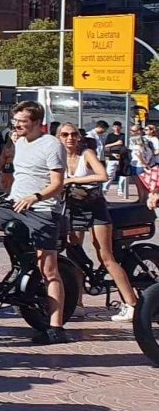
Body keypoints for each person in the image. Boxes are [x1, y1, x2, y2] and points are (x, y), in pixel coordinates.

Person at [0, 100, 70, 344]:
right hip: (13, 205)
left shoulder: (52, 145)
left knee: (48, 270)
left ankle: (56, 327)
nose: (17, 125)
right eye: (15, 121)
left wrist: (36, 197)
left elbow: (57, 184)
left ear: (37, 123)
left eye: (23, 122)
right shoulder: (19, 141)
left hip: (41, 209)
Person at [57, 123, 140, 323]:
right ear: (58, 137)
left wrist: (71, 181)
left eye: (73, 134)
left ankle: (132, 304)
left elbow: (102, 175)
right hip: (72, 209)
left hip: (94, 207)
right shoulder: (57, 157)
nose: (69, 138)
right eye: (65, 134)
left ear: (79, 137)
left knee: (105, 256)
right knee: (74, 254)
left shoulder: (86, 154)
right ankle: (77, 303)